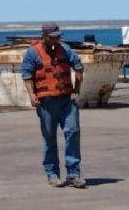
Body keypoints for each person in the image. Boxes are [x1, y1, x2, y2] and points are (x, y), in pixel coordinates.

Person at [19, 22, 85, 189]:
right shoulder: (32, 53)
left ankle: (74, 173)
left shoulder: (65, 49)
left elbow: (78, 67)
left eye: (58, 37)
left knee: (73, 131)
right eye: (53, 37)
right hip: (46, 102)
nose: (57, 40)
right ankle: (52, 174)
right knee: (49, 138)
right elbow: (27, 76)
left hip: (66, 100)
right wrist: (32, 96)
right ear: (44, 36)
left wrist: (77, 89)